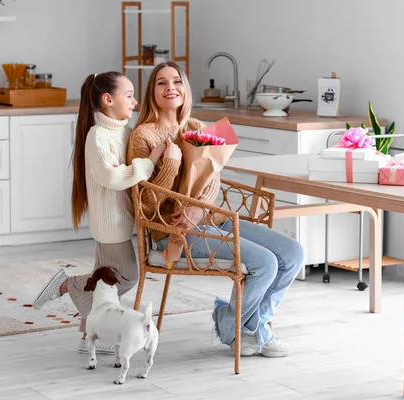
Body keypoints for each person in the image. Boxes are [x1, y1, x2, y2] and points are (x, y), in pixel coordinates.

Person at [126, 61, 305, 358]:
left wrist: (197, 211)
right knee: (266, 264)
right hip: (174, 232)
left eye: (176, 81)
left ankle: (239, 325)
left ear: (185, 88)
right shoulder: (143, 136)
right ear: (151, 92)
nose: (170, 87)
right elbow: (144, 204)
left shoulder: (195, 127)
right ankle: (252, 332)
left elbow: (211, 179)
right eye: (161, 83)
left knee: (292, 254)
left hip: (211, 219)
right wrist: (169, 163)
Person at [32, 71, 169, 354]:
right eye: (129, 96)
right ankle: (67, 285)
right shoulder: (98, 137)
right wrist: (149, 163)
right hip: (110, 222)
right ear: (108, 100)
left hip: (120, 219)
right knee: (125, 276)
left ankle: (90, 338)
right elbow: (111, 177)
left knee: (105, 276)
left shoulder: (123, 132)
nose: (134, 102)